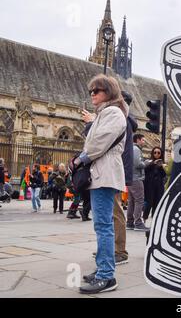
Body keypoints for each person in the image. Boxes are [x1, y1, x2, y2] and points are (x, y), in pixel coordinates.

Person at [74, 74, 127, 294]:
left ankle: (107, 277)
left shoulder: (113, 112)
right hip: (101, 174)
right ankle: (103, 269)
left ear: (109, 92)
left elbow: (98, 143)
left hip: (105, 174)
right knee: (101, 225)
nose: (93, 95)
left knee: (104, 226)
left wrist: (79, 159)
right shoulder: (104, 113)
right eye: (91, 91)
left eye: (97, 91)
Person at [126, 134, 151, 231]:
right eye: (143, 140)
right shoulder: (136, 149)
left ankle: (130, 222)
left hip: (131, 178)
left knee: (132, 201)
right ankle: (138, 223)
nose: (144, 142)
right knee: (139, 200)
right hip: (136, 178)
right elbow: (138, 164)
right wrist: (147, 163)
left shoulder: (130, 148)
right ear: (138, 140)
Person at [143, 147, 167, 221]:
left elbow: (164, 175)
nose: (156, 154)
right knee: (149, 203)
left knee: (157, 203)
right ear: (152, 153)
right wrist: (153, 164)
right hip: (149, 186)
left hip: (159, 186)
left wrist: (161, 167)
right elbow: (145, 171)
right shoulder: (148, 161)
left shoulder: (163, 163)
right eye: (155, 152)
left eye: (158, 153)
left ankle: (155, 219)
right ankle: (144, 218)